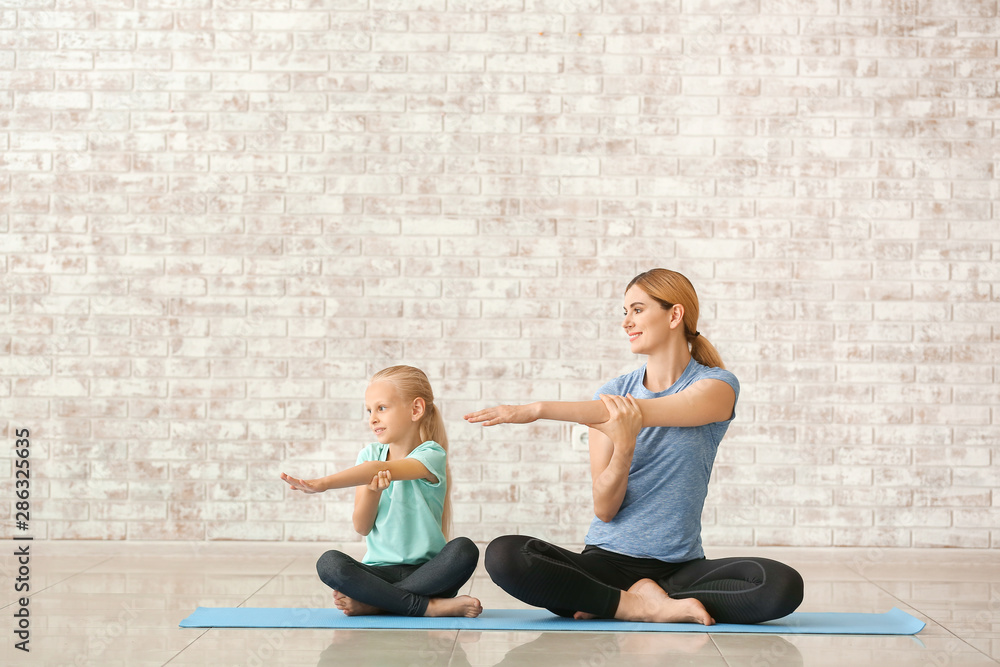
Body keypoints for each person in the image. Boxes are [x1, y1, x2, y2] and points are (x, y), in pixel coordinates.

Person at [465, 269, 804, 626]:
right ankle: (639, 605)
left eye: (637, 310)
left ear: (674, 315)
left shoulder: (716, 386)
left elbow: (643, 411)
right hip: (606, 564)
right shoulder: (612, 392)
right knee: (505, 556)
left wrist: (537, 410)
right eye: (625, 312)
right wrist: (624, 447)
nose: (627, 322)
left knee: (781, 586)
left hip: (681, 568)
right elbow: (605, 509)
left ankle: (624, 601)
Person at [282, 365, 483, 618]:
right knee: (329, 563)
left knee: (464, 549)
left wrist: (323, 483)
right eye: (369, 411)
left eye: (382, 408)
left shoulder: (431, 454)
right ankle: (426, 607)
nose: (372, 418)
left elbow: (377, 468)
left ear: (415, 409)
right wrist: (373, 492)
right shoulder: (368, 455)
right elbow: (362, 527)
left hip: (428, 572)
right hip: (377, 572)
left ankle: (376, 603)